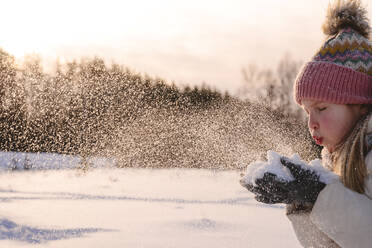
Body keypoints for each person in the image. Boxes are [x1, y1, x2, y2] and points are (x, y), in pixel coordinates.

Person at [241, 0, 372, 247]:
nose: (312, 122)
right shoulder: (335, 159)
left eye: (322, 108)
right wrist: (300, 200)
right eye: (307, 111)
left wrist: (319, 194)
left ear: (361, 105)